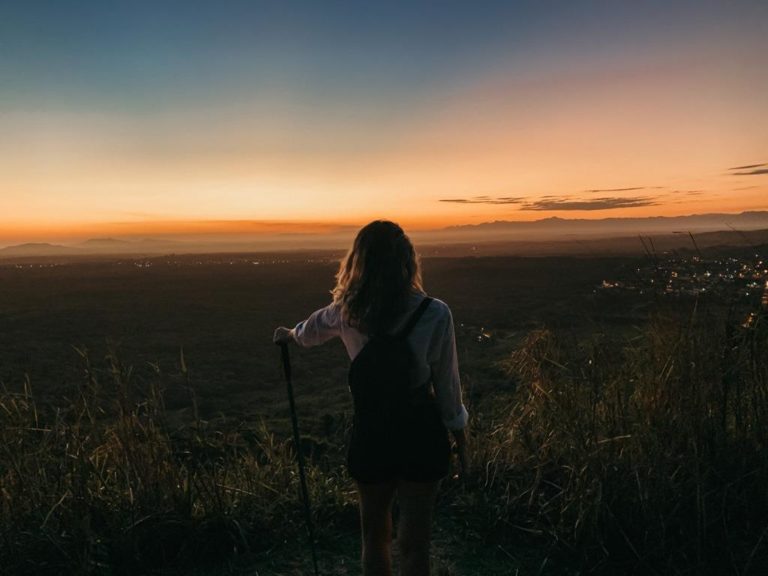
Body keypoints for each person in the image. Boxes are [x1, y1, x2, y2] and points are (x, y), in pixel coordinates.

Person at [273, 220, 469, 576]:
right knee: (416, 544)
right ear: (408, 261)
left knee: (374, 538)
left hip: (372, 433)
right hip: (420, 433)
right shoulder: (435, 313)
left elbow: (308, 332)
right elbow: (447, 387)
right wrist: (461, 440)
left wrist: (288, 335)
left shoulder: (346, 312)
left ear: (358, 262)